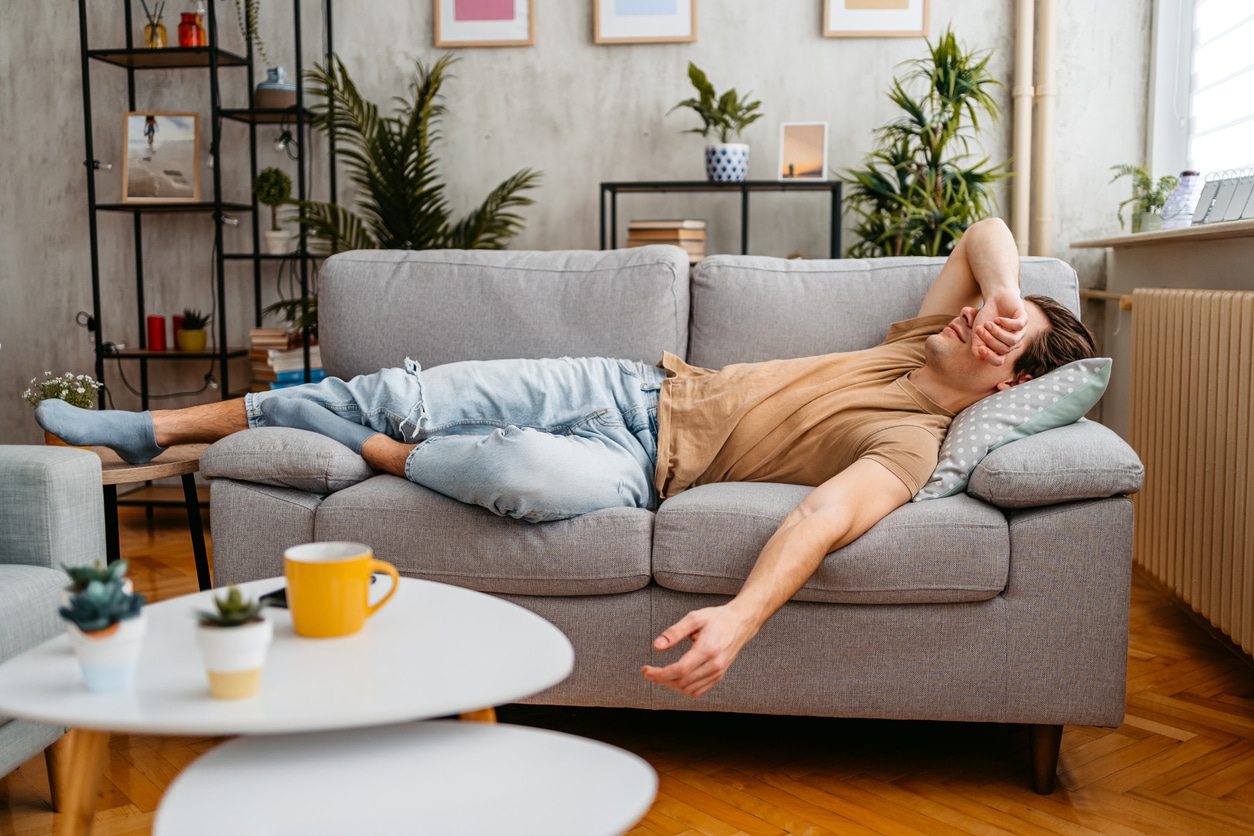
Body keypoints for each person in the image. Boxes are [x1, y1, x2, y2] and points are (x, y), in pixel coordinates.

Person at [37, 218, 1096, 698]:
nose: (979, 325)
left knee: (524, 479)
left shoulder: (912, 443)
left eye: (1003, 336)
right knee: (411, 386)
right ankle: (160, 427)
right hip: (631, 387)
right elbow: (985, 229)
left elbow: (821, 516)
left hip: (640, 474)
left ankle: (364, 446)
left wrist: (740, 614)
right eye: (987, 315)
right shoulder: (922, 334)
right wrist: (1008, 296)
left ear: (1010, 385)